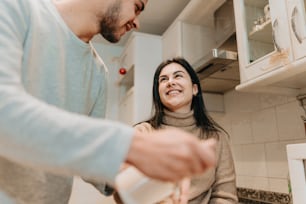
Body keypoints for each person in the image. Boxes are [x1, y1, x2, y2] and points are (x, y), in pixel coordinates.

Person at [0, 0, 217, 203]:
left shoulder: (98, 72)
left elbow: (92, 165)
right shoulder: (16, 8)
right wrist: (133, 146)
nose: (137, 22)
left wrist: (148, 182)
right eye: (138, 6)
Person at [130, 57, 238, 203]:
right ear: (158, 93)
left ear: (194, 89)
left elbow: (225, 196)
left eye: (178, 76)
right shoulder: (143, 133)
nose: (170, 82)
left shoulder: (216, 138)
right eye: (163, 79)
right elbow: (129, 192)